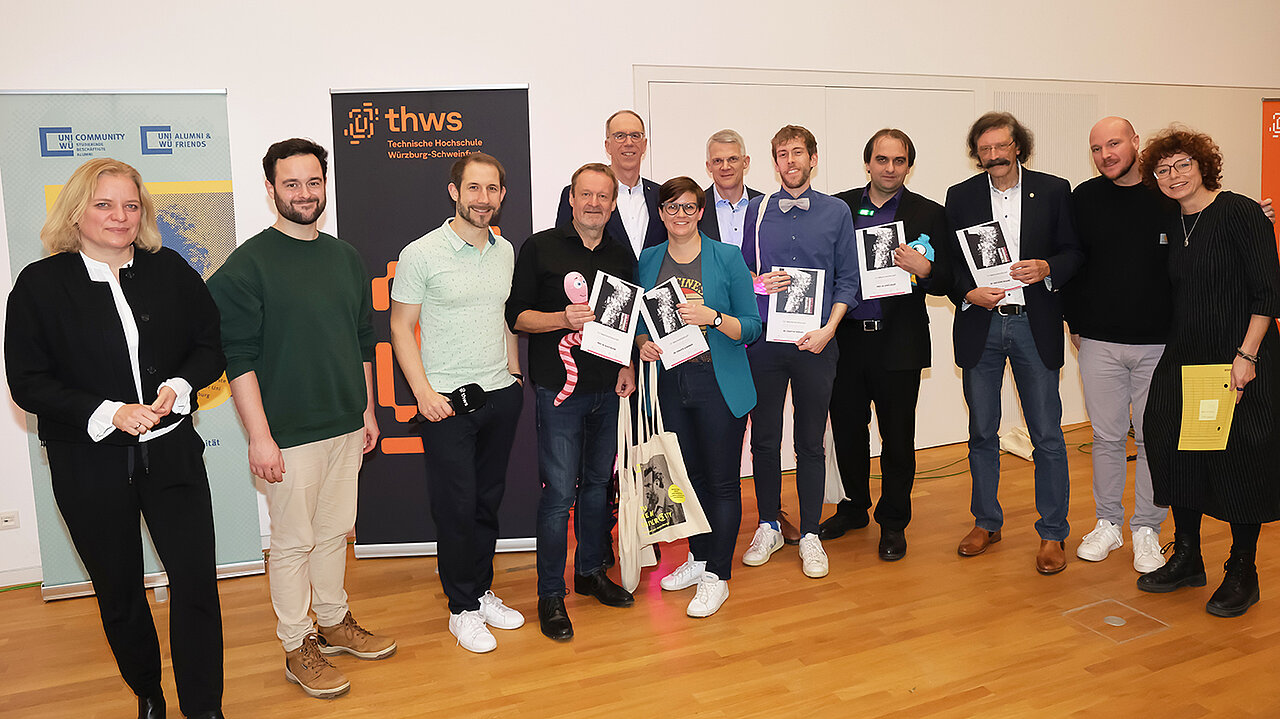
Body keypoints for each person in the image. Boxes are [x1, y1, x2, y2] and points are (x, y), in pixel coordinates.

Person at [5, 158, 226, 719]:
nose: (120, 216)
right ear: (75, 212)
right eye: (104, 204)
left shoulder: (169, 269)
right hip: (88, 464)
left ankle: (204, 708)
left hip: (172, 452)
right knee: (120, 590)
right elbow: (27, 381)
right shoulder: (39, 285)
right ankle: (148, 693)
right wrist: (108, 411)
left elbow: (210, 345)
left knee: (196, 583)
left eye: (131, 205)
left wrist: (179, 385)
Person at [208, 139, 394, 699]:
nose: (305, 193)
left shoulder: (345, 257)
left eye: (314, 182)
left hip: (345, 424)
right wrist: (259, 438)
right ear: (271, 189)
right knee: (292, 543)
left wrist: (366, 410)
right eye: (291, 183)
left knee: (335, 533)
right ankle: (297, 644)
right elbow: (237, 358)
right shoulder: (248, 265)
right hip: (288, 434)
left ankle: (334, 622)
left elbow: (361, 339)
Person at [1136, 127, 1280, 618]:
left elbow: (1268, 291)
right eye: (1163, 169)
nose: (1174, 175)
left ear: (1203, 166)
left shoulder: (1238, 211)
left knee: (1241, 461)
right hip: (1187, 358)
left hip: (1238, 358)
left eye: (1183, 164)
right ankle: (1188, 557)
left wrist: (1248, 356)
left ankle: (1243, 571)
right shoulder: (1172, 222)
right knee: (1176, 450)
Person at [389, 152, 527, 651]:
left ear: (501, 195)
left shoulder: (505, 251)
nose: (482, 199)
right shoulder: (420, 253)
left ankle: (481, 591)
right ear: (454, 192)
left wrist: (515, 375)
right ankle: (462, 609)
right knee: (456, 508)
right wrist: (423, 394)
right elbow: (400, 327)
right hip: (445, 405)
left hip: (499, 397)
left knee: (487, 504)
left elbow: (505, 317)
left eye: (492, 189)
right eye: (473, 188)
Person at [943, 112, 1083, 575]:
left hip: (1033, 325)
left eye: (1001, 146)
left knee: (1047, 435)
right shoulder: (960, 196)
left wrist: (1047, 267)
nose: (994, 155)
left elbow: (1074, 252)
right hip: (981, 324)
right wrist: (967, 292)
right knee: (982, 432)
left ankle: (1052, 532)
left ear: (1017, 146)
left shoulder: (1054, 189)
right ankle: (986, 522)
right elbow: (951, 264)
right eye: (984, 149)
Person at [506, 163, 638, 642]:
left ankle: (590, 572)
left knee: (598, 486)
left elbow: (627, 321)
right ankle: (550, 594)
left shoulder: (622, 255)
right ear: (572, 198)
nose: (594, 204)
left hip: (608, 389)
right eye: (586, 195)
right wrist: (562, 318)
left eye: (603, 196)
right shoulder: (540, 247)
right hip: (558, 392)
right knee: (560, 494)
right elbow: (517, 317)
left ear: (613, 203)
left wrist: (628, 365)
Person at [635, 176, 761, 617]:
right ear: (661, 213)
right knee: (687, 481)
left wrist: (713, 317)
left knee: (722, 482)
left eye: (689, 207)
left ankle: (717, 576)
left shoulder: (726, 257)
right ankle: (700, 557)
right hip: (670, 383)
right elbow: (641, 321)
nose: (681, 215)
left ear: (701, 211)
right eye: (672, 207)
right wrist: (642, 344)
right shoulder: (649, 259)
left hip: (717, 382)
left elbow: (752, 326)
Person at [822, 129, 950, 561]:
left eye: (899, 161)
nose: (890, 168)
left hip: (898, 342)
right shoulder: (839, 207)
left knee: (897, 437)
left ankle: (893, 521)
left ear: (908, 165)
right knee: (847, 431)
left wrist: (925, 268)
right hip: (845, 340)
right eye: (881, 159)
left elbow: (949, 278)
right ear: (867, 163)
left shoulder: (929, 213)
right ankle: (854, 507)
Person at [740, 125, 859, 579]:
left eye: (797, 153)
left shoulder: (837, 211)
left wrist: (829, 329)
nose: (790, 161)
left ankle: (810, 533)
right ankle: (768, 524)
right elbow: (743, 274)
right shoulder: (756, 210)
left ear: (813, 158)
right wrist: (758, 284)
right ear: (774, 163)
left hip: (818, 343)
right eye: (782, 154)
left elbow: (848, 279)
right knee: (764, 438)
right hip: (765, 342)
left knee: (810, 441)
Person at [1065, 117, 1176, 573]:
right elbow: (1072, 261)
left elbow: (1208, 229)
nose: (1105, 155)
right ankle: (1108, 523)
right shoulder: (1084, 198)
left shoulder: (1167, 194)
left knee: (1153, 439)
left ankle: (1147, 527)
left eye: (1113, 144)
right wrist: (1074, 323)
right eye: (1096, 148)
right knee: (1106, 438)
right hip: (1099, 341)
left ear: (1135, 142)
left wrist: (1254, 218)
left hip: (1159, 343)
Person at [556, 110, 666, 259]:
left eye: (635, 136)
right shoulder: (579, 195)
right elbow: (563, 248)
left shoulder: (661, 196)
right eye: (620, 136)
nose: (629, 143)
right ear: (607, 146)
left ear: (644, 144)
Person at [699, 129, 764, 247]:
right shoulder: (695, 208)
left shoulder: (765, 206)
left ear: (745, 162)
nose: (725, 167)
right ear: (709, 166)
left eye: (732, 159)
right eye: (718, 161)